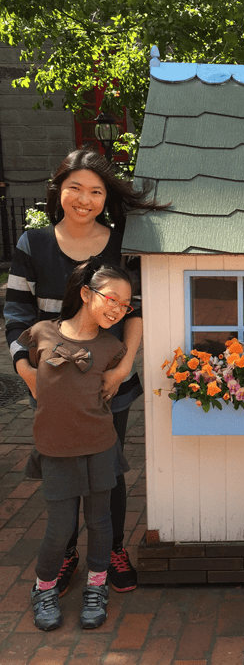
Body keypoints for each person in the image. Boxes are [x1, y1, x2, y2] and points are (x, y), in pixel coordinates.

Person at [4, 147, 164, 595]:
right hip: (51, 383)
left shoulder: (121, 243)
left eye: (95, 191)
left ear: (105, 198)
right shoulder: (31, 244)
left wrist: (124, 366)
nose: (84, 199)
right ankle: (68, 549)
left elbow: (135, 310)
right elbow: (16, 314)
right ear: (59, 191)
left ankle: (111, 548)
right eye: (75, 188)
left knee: (106, 468)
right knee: (61, 465)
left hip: (110, 382)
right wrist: (28, 372)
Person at [17, 259, 134, 630]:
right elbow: (19, 354)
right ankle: (44, 587)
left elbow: (117, 384)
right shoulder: (41, 332)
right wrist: (26, 371)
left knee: (100, 522)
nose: (117, 309)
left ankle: (96, 587)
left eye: (125, 305)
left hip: (100, 445)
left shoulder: (112, 348)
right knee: (60, 526)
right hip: (55, 448)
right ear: (86, 293)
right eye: (112, 299)